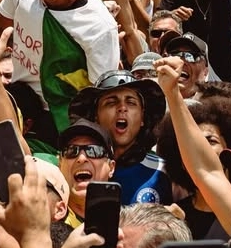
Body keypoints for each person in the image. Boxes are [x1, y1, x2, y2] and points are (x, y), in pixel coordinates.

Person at [0, 0, 119, 140]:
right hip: (16, 104)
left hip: (62, 122)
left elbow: (102, 96)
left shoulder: (98, 26)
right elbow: (0, 27)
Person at [68, 70, 170, 205]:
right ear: (95, 117)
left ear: (142, 118)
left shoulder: (164, 172)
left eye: (131, 102)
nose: (122, 108)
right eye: (111, 102)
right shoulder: (74, 166)